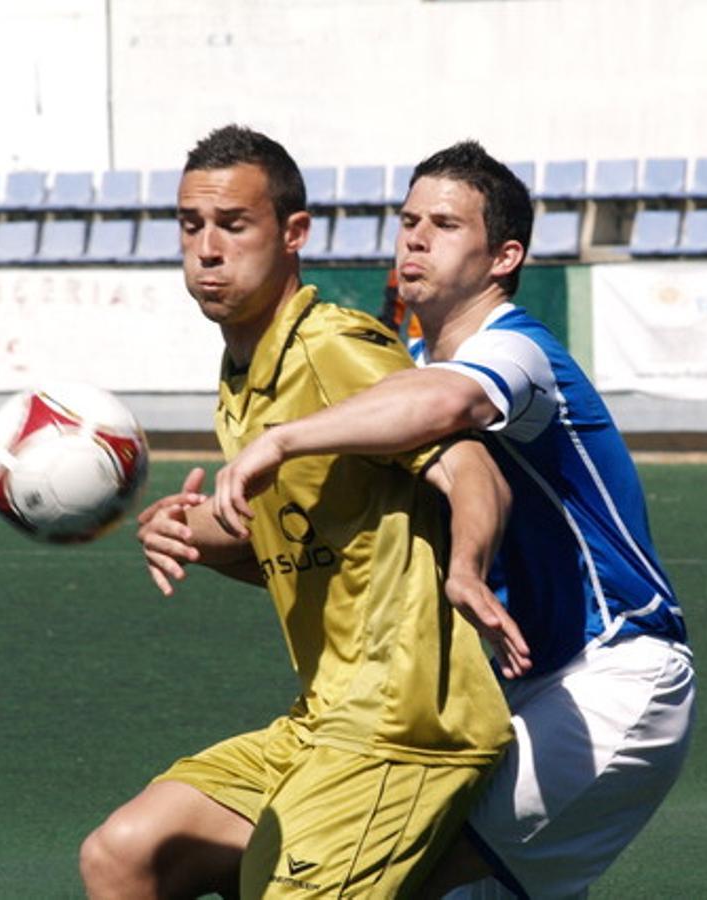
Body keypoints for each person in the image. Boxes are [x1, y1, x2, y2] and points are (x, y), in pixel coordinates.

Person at [210, 140, 697, 898]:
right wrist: (205, 534)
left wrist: (280, 438)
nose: (415, 239)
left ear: (504, 257)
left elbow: (449, 401)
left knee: (375, 873)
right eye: (409, 221)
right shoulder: (401, 365)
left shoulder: (518, 350)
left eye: (444, 225)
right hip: (504, 692)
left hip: (608, 676)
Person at [78, 125, 517, 899]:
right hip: (322, 717)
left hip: (404, 726)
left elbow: (471, 465)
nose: (207, 249)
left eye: (233, 225)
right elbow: (312, 555)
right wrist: (198, 538)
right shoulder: (242, 374)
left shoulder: (331, 348)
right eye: (191, 225)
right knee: (126, 854)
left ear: (294, 234)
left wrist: (468, 566)